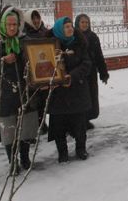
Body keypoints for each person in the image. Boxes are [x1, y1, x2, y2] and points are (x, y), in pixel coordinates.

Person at [0, 6, 38, 173]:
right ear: (3, 25)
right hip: (4, 94)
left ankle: (26, 158)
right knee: (9, 130)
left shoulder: (24, 40)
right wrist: (2, 61)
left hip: (24, 91)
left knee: (26, 128)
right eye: (9, 24)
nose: (12, 28)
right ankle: (12, 162)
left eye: (15, 24)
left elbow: (36, 61)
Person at [46, 16, 92, 162]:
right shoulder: (50, 46)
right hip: (58, 93)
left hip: (76, 90)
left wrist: (71, 76)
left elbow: (87, 64)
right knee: (58, 125)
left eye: (71, 26)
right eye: (66, 27)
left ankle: (81, 149)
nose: (70, 29)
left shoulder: (80, 43)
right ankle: (63, 152)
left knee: (79, 124)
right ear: (60, 29)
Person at [74, 14, 110, 130]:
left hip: (91, 73)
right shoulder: (74, 37)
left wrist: (103, 73)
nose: (84, 24)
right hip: (78, 73)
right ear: (77, 23)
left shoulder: (93, 37)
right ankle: (80, 121)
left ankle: (87, 118)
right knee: (80, 98)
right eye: (82, 22)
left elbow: (99, 56)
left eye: (86, 22)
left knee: (91, 97)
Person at [23, 9, 49, 133]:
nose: (36, 21)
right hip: (31, 72)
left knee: (44, 100)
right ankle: (35, 126)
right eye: (33, 18)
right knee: (33, 101)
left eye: (38, 18)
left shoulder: (45, 32)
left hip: (44, 70)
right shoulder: (24, 34)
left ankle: (42, 123)